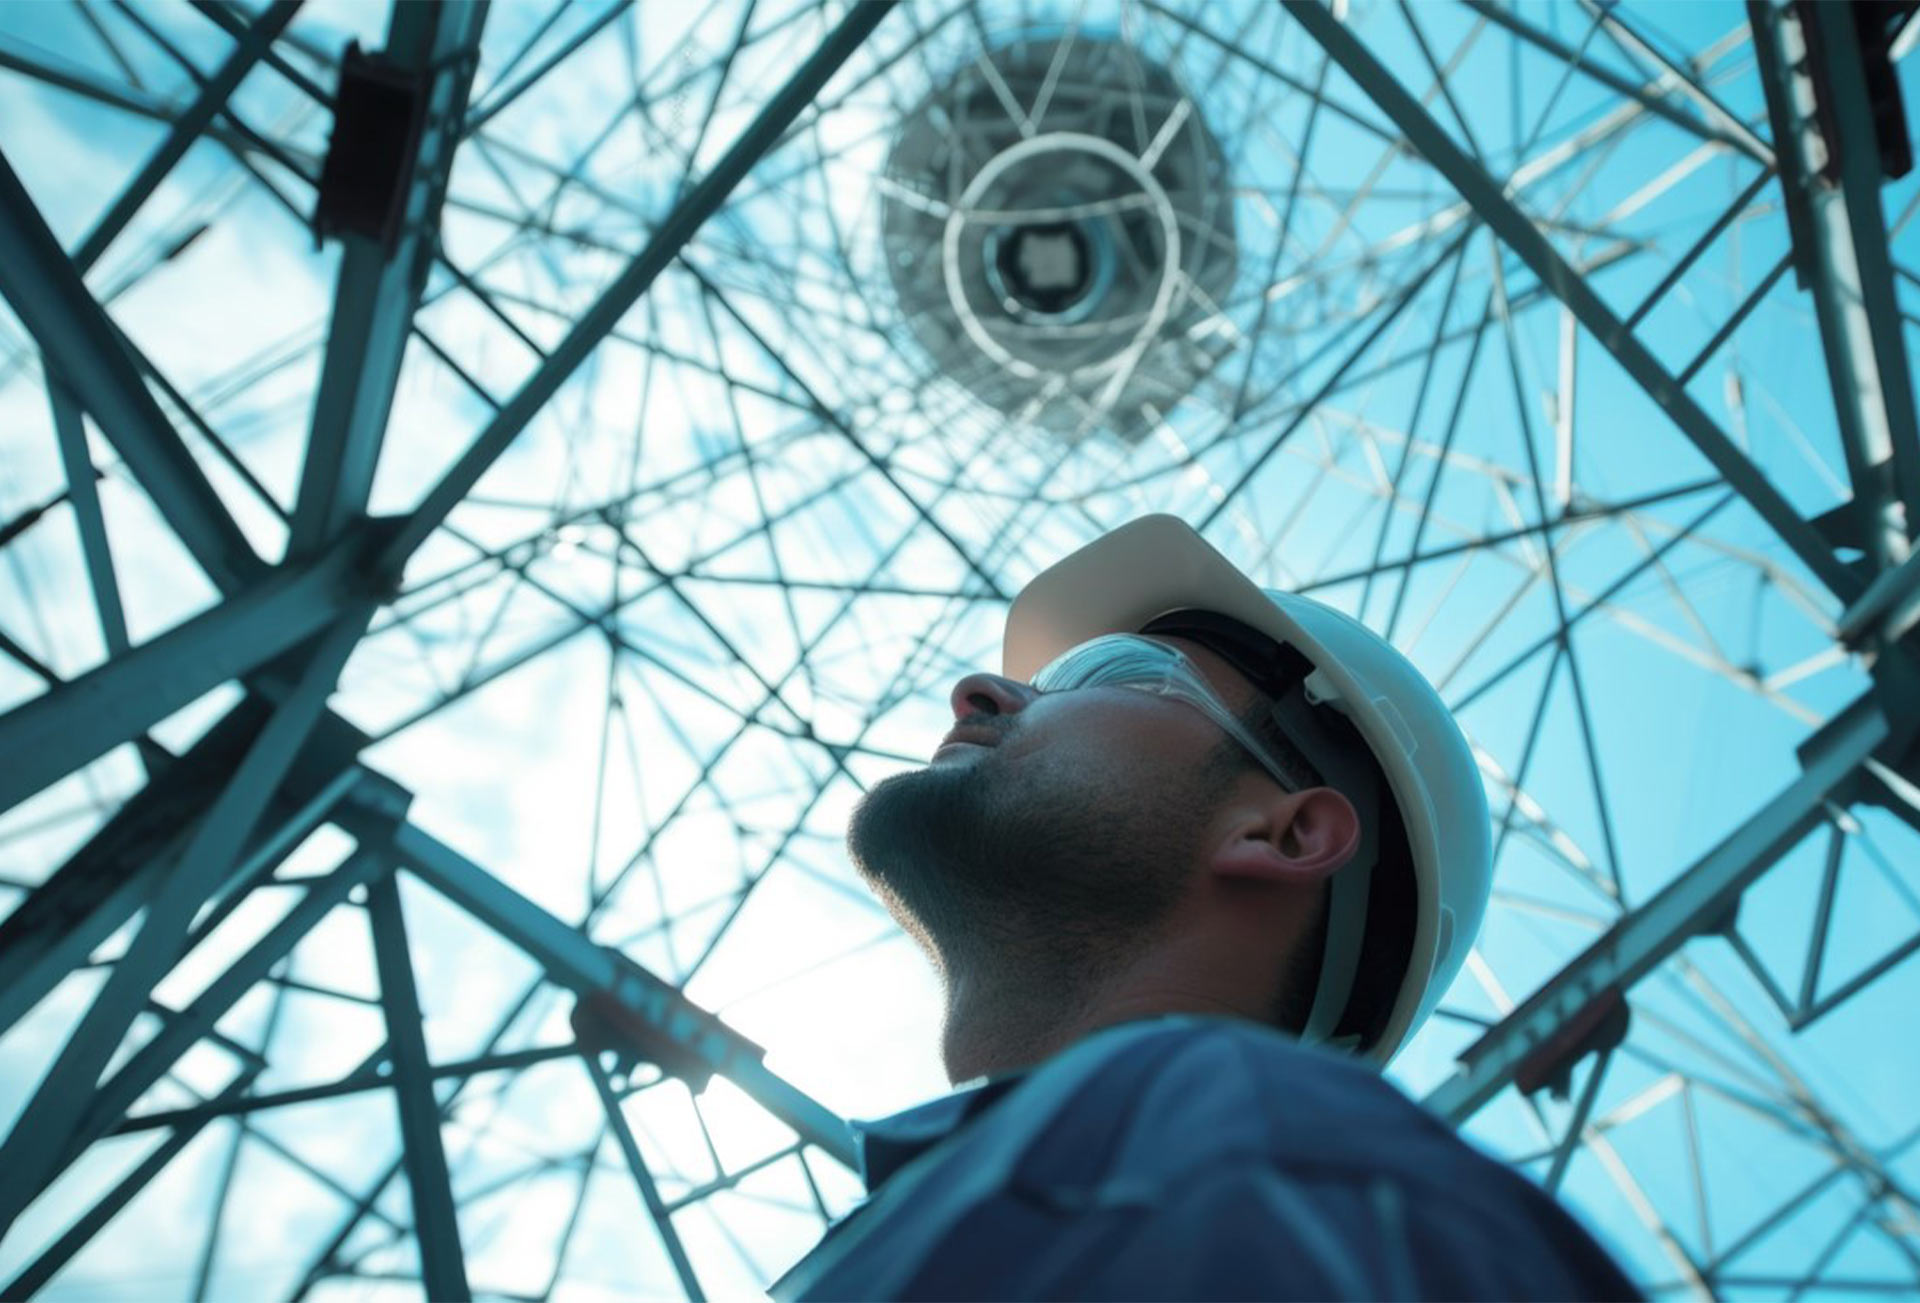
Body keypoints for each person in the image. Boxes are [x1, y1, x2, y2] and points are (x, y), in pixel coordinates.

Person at [769, 514, 1641, 1301]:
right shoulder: (933, 1202)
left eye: (1109, 671)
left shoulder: (1330, 1175)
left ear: (1285, 834)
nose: (982, 691)